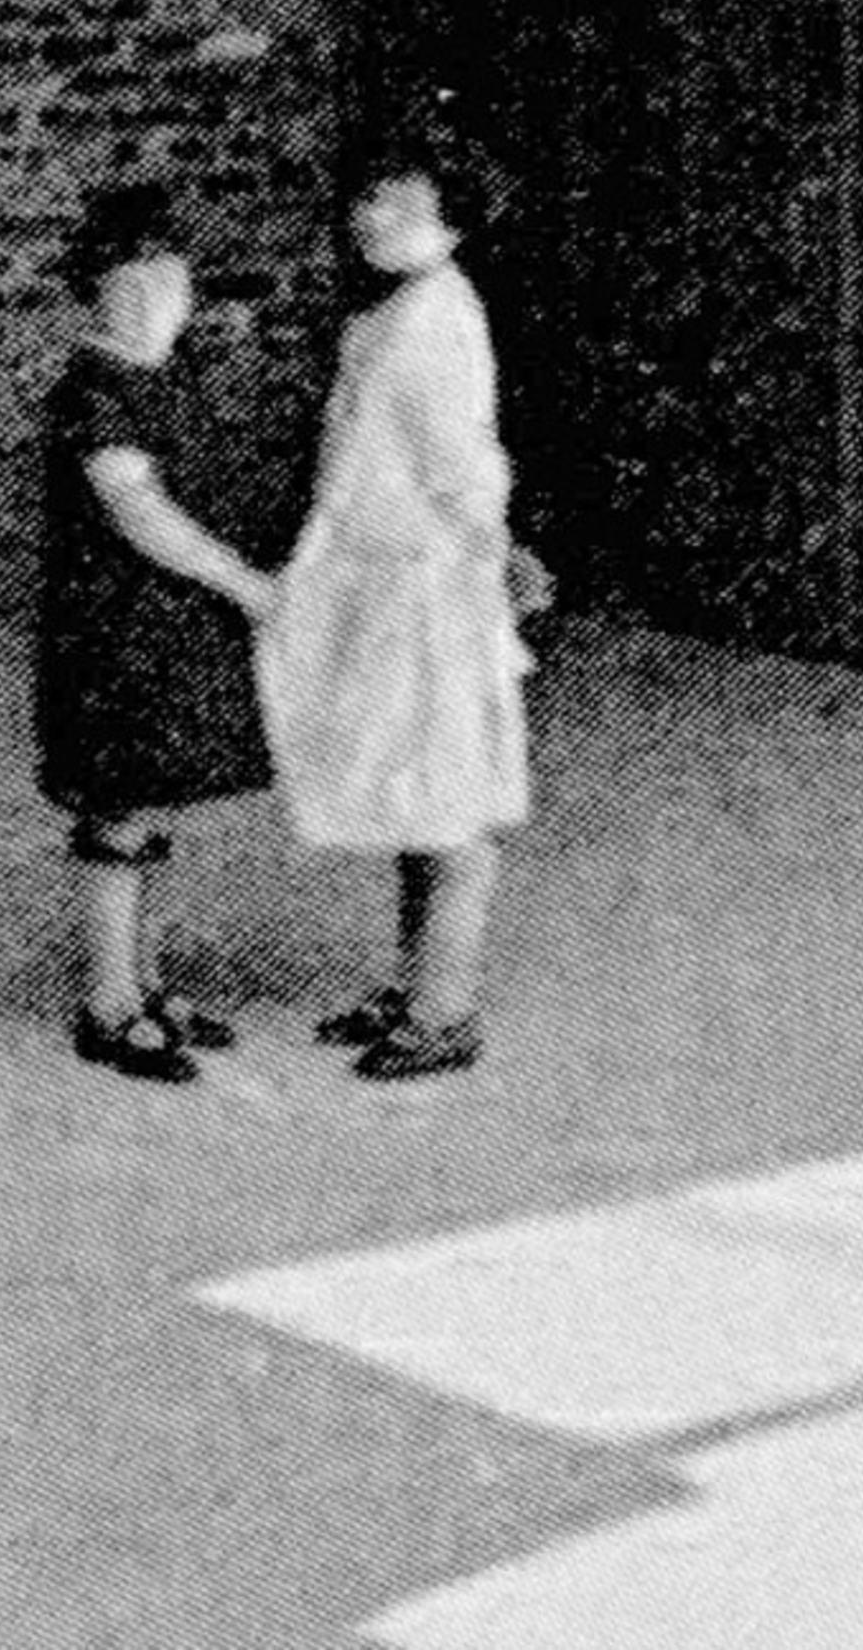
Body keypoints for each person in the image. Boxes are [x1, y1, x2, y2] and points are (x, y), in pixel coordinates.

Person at [256, 143, 534, 1082]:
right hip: (384, 581)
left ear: (452, 224)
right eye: (370, 198)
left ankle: (443, 1012)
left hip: (430, 589)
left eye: (402, 205)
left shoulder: (434, 319)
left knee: (446, 797)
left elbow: (462, 469)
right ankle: (417, 986)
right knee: (410, 789)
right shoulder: (389, 316)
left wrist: (496, 554)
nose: (372, 216)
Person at [33, 182, 280, 1081]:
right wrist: (245, 584)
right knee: (120, 808)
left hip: (172, 628)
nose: (155, 300)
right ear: (94, 290)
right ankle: (108, 1003)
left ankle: (146, 983)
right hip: (115, 632)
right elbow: (138, 511)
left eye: (170, 281)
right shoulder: (92, 389)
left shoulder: (167, 377)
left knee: (155, 800)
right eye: (131, 283)